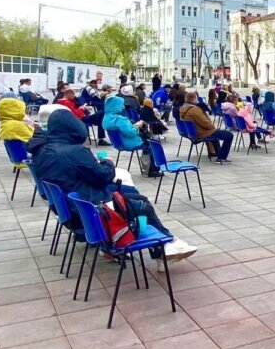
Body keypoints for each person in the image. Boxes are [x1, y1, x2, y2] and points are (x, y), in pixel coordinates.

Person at [27, 108, 196, 268]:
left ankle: (128, 237)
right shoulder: (72, 152)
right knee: (141, 204)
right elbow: (102, 177)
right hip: (90, 209)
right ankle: (164, 245)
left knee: (130, 194)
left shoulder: (42, 150)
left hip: (72, 208)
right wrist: (107, 162)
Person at [103, 95, 161, 177]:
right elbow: (131, 133)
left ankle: (149, 169)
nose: (123, 107)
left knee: (148, 144)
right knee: (151, 145)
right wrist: (137, 126)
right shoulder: (119, 119)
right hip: (130, 142)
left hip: (119, 143)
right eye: (121, 105)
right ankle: (151, 170)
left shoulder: (107, 117)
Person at [180, 91, 233, 163]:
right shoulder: (194, 109)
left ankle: (219, 154)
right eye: (196, 99)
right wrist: (213, 128)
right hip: (203, 132)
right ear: (192, 100)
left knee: (217, 134)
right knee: (229, 135)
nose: (197, 101)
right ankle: (222, 157)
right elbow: (205, 123)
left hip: (194, 132)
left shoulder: (182, 108)